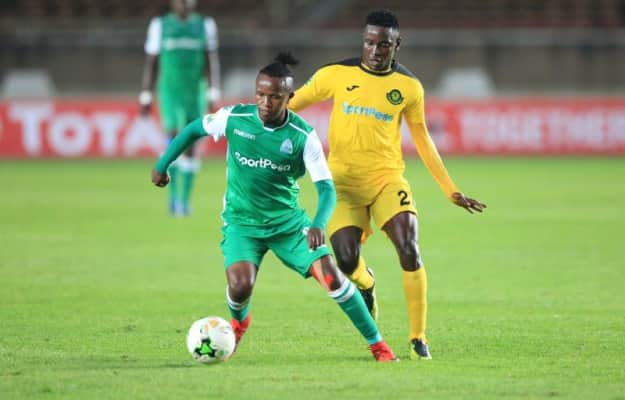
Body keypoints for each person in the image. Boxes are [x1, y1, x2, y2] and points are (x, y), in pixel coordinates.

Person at [151, 52, 398, 362]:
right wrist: (162, 164)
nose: (266, 102)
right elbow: (192, 130)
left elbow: (326, 189)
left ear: (289, 98)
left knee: (332, 277)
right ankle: (239, 323)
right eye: (261, 94)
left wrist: (318, 224)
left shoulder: (303, 136)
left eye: (275, 97)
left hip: (288, 225)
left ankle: (378, 345)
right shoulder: (235, 119)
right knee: (240, 287)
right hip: (242, 223)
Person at [289, 9, 486, 360]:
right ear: (362, 41)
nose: (375, 50)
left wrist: (450, 189)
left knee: (409, 247)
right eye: (369, 42)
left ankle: (418, 338)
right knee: (346, 260)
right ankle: (366, 282)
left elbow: (422, 139)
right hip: (343, 184)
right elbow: (289, 105)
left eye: (383, 44)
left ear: (397, 44)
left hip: (386, 180)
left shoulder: (408, 87)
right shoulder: (335, 74)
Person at [140, 0, 221, 216]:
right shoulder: (160, 25)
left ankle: (185, 200)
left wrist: (213, 92)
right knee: (175, 137)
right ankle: (173, 197)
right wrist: (146, 94)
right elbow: (151, 62)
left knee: (191, 143)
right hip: (170, 90)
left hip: (195, 91)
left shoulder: (205, 25)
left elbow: (210, 59)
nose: (184, 3)